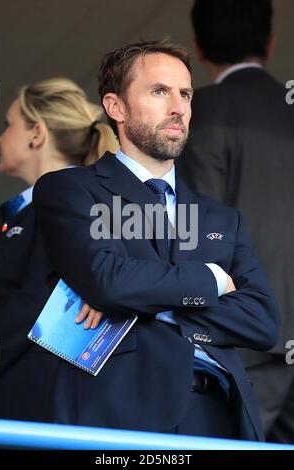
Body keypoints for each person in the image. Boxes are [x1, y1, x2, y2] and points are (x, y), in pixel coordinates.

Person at [33, 39, 279, 440]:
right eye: (159, 91)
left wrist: (142, 305)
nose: (178, 107)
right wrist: (211, 281)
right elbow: (108, 280)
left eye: (185, 94)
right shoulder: (72, 190)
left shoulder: (220, 217)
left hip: (221, 415)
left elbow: (262, 322)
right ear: (116, 107)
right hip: (122, 413)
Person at [176, 0, 294, 443]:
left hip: (247, 334)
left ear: (198, 49)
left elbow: (194, 232)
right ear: (270, 43)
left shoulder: (199, 113)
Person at [0, 77, 118, 422]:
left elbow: (36, 299)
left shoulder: (63, 205)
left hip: (36, 401)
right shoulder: (65, 203)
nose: (1, 137)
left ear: (37, 133)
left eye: (9, 125)